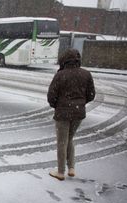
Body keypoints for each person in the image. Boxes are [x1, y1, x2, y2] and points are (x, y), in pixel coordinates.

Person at [47, 48, 96, 181]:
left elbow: (51, 96)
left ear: (64, 60)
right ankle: (72, 168)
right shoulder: (86, 74)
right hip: (78, 113)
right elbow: (91, 95)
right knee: (69, 139)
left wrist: (57, 105)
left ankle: (61, 172)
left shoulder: (60, 75)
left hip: (62, 114)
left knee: (62, 142)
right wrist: (80, 103)